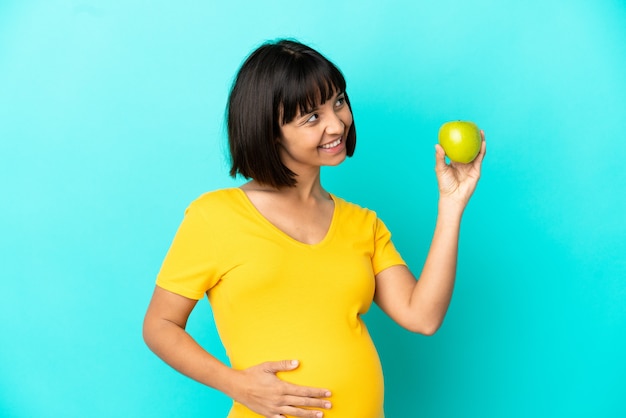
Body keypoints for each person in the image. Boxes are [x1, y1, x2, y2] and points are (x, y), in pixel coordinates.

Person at [143, 39, 486, 418]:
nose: (337, 124)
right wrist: (236, 384)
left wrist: (452, 204)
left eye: (338, 102)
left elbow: (422, 317)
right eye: (312, 118)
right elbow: (160, 324)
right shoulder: (216, 216)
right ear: (270, 131)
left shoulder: (362, 224)